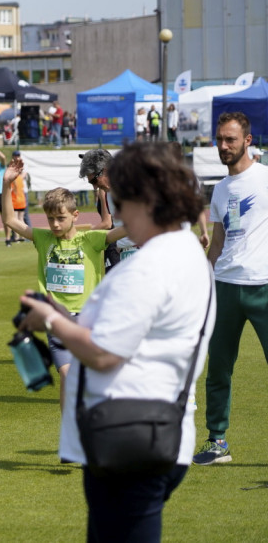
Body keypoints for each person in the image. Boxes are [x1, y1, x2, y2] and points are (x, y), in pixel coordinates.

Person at [16, 141, 212, 542]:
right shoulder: (186, 252)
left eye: (120, 197)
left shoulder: (150, 266)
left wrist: (50, 318)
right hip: (154, 433)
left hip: (132, 441)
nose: (116, 209)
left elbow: (104, 354)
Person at [2, 161, 127, 408]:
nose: (55, 225)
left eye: (61, 218)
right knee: (68, 376)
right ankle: (71, 435)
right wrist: (7, 184)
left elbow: (126, 229)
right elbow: (10, 220)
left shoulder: (92, 240)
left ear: (75, 215)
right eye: (51, 220)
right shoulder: (43, 238)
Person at [194, 111, 268, 466]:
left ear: (248, 141)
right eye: (220, 139)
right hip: (224, 287)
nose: (223, 146)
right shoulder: (221, 189)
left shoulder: (265, 179)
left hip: (263, 286)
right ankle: (217, 442)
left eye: (231, 140)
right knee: (219, 368)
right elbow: (220, 240)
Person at [8, 151, 29, 244]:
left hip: (15, 200)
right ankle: (23, 236)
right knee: (21, 219)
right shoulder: (20, 178)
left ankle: (16, 237)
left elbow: (11, 189)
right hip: (22, 199)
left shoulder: (14, 179)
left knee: (16, 219)